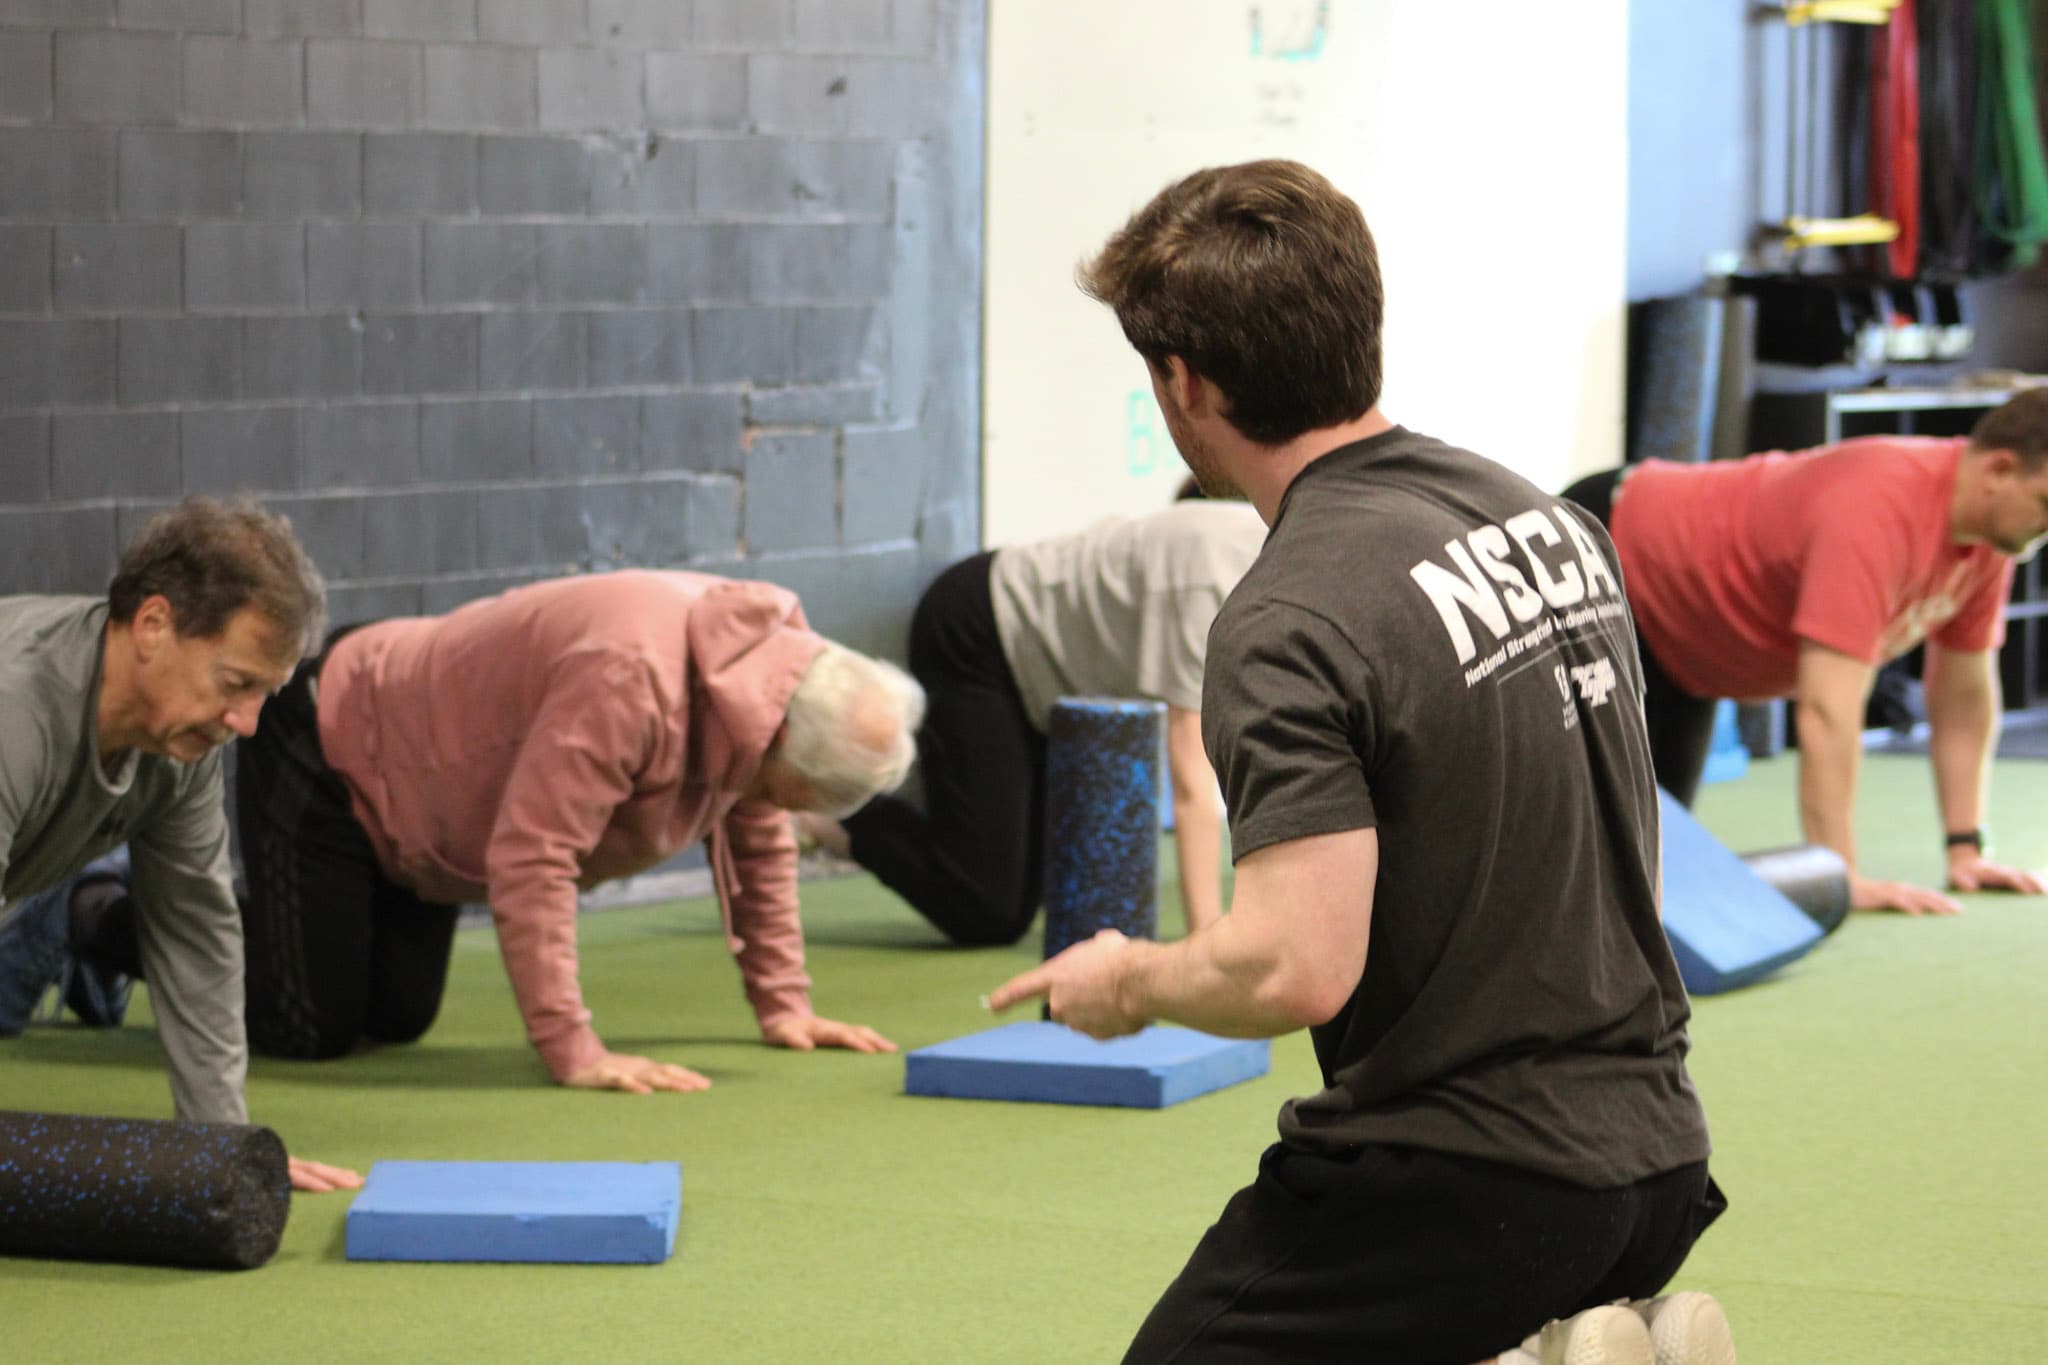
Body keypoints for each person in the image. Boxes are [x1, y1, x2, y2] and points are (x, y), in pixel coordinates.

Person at [988, 160, 1731, 1364]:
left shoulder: (1289, 616)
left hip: (1467, 1182)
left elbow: (1291, 969)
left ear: (1183, 385)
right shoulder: (1547, 523)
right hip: (1656, 1155)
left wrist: (1126, 980)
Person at [227, 570, 924, 1096]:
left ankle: (305, 918)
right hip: (335, 732)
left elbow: (759, 837)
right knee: (310, 1027)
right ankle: (126, 920)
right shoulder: (632, 678)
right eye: (788, 793)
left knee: (396, 1017)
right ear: (774, 746)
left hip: (426, 785)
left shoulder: (773, 686)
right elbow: (535, 856)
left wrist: (785, 1004)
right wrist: (574, 1048)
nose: (781, 809)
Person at [1563, 388, 2048, 917]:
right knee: (1582, 852)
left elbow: (1963, 698)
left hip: (1686, 656)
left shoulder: (1989, 542)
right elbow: (1825, 709)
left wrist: (1965, 848)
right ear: (1999, 470)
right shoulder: (1880, 507)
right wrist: (1840, 875)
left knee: (1648, 872)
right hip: (1604, 549)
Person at [0, 497, 361, 1193]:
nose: (249, 723)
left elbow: (195, 933)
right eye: (237, 684)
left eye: (266, 692)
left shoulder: (182, 746)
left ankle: (56, 909)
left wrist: (222, 1151)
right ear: (154, 624)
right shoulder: (16, 712)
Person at [801, 486, 1265, 944]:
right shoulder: (1207, 576)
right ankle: (834, 818)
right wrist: (1208, 944)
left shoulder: (1282, 562)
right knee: (986, 910)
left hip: (1052, 681)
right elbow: (1191, 786)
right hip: (978, 633)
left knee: (1033, 896)